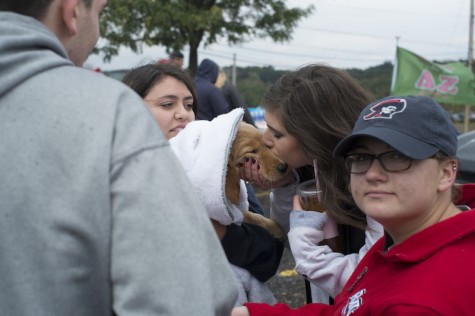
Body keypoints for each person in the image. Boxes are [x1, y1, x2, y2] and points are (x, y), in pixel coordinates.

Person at [0, 1, 238, 315]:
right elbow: (183, 298)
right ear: (71, 12)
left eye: (188, 104)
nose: (182, 114)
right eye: (99, 13)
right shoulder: (109, 112)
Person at [233, 95, 475, 315]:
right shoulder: (405, 241)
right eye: (360, 158)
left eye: (397, 156)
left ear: (446, 172)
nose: (372, 174)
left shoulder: (421, 303)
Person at [121, 63, 283, 284]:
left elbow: (268, 258)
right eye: (168, 104)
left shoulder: (223, 166)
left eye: (189, 105)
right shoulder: (115, 176)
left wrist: (218, 230)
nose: (183, 114)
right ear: (131, 108)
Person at [239, 64, 384, 303]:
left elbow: (368, 280)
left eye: (277, 134)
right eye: (266, 127)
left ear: (314, 136)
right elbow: (289, 239)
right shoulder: (314, 169)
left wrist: (306, 247)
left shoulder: (376, 182)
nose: (264, 139)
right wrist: (286, 185)